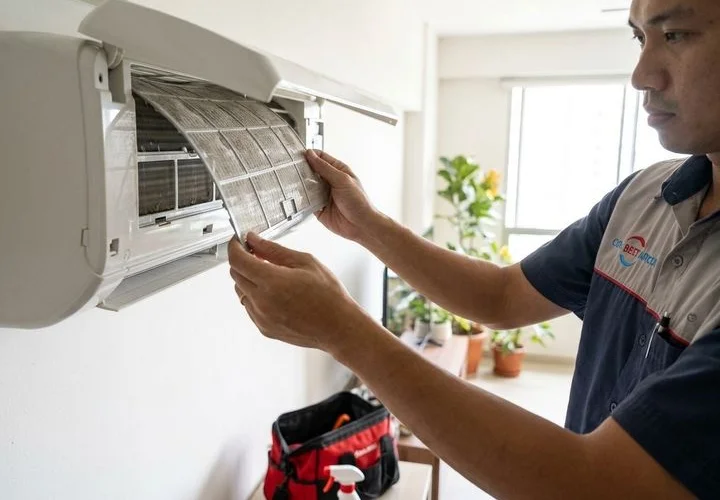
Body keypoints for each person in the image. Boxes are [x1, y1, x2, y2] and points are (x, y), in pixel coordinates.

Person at [228, 0, 720, 497]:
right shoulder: (642, 199)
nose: (641, 75)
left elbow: (594, 484)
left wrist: (344, 331)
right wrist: (367, 226)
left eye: (675, 35)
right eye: (640, 38)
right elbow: (501, 297)